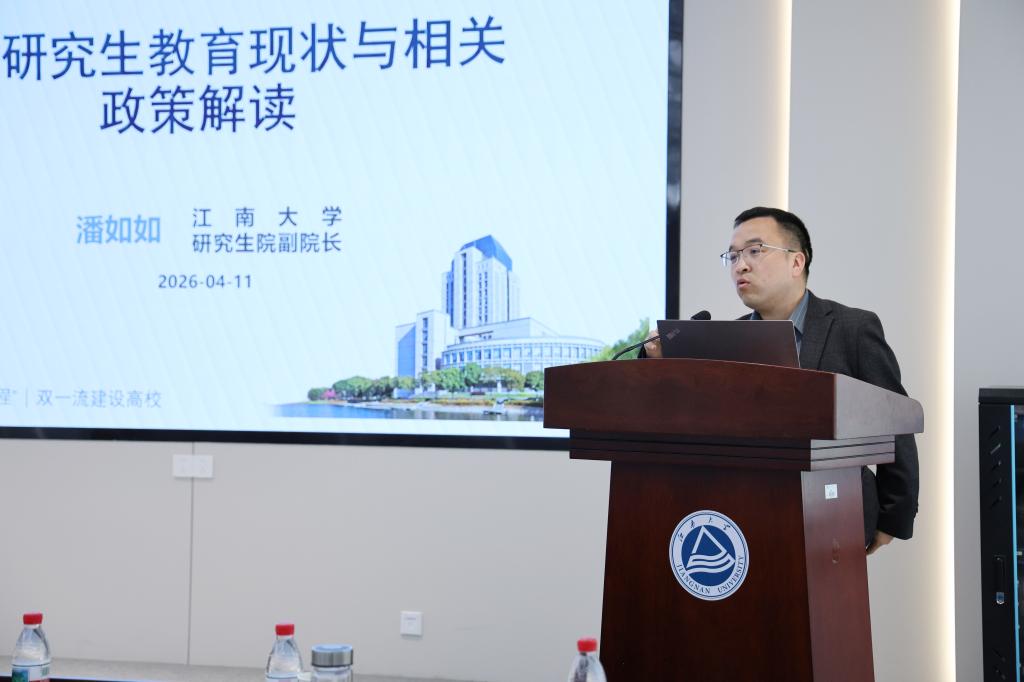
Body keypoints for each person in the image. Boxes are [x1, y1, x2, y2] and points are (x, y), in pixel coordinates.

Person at [643, 206, 919, 554]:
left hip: (833, 513)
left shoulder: (852, 329)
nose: (740, 265)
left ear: (796, 262)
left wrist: (892, 517)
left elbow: (895, 421)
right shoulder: (728, 339)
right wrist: (654, 361)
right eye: (732, 256)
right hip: (740, 518)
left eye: (754, 251)